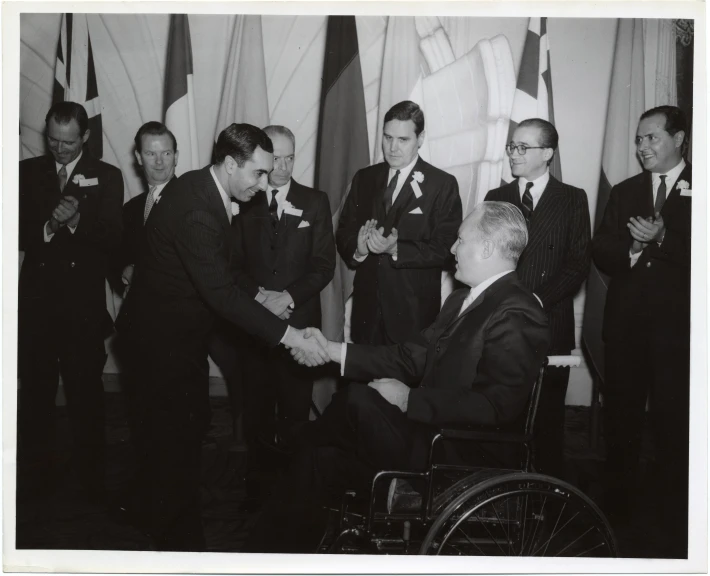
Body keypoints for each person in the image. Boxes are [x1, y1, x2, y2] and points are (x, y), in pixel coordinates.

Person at [244, 202, 550, 553]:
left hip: (461, 454)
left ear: (486, 248)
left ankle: (292, 442)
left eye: (460, 240)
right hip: (432, 437)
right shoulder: (461, 301)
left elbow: (496, 407)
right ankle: (263, 558)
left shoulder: (518, 310)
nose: (451, 248)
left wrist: (408, 399)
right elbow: (407, 357)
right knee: (318, 459)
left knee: (358, 400)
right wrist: (330, 349)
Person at [129, 123, 328, 551]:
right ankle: (180, 545)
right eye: (258, 173)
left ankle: (164, 518)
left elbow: (225, 275)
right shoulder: (199, 208)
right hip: (159, 344)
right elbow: (220, 293)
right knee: (174, 441)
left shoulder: (209, 189)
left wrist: (261, 299)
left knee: (184, 431)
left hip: (178, 336)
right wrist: (291, 337)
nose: (265, 182)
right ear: (231, 163)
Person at [592, 105, 691, 558]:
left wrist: (664, 238)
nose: (642, 147)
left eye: (651, 138)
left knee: (675, 424)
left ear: (680, 139)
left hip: (681, 332)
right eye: (637, 139)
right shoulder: (627, 190)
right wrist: (633, 244)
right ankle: (616, 517)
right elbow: (601, 249)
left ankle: (677, 517)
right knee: (622, 422)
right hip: (627, 327)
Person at [112, 122, 244, 450]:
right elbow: (116, 258)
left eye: (166, 153)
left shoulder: (191, 200)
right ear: (138, 158)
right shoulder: (131, 210)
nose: (159, 161)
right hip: (144, 329)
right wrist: (124, 271)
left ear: (177, 157)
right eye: (150, 154)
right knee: (148, 415)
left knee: (186, 419)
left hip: (191, 325)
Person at [17, 101, 124, 504]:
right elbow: (16, 231)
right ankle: (35, 480)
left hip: (82, 310)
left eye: (67, 142)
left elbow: (114, 237)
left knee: (85, 397)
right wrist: (50, 225)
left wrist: (77, 222)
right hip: (38, 307)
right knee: (36, 397)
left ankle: (92, 484)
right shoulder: (27, 172)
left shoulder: (108, 176)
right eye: (52, 140)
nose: (58, 149)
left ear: (85, 137)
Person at [233, 125, 335, 504]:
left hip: (300, 325)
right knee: (257, 410)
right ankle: (257, 492)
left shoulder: (316, 201)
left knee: (295, 413)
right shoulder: (246, 199)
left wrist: (288, 296)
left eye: (291, 157)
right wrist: (260, 296)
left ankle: (294, 495)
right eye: (276, 157)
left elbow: (324, 266)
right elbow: (233, 263)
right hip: (255, 326)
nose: (284, 165)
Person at [485, 118, 591, 477]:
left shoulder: (573, 199)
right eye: (511, 146)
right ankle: (501, 497)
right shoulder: (496, 199)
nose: (513, 154)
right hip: (501, 328)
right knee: (502, 419)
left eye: (522, 147)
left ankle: (544, 505)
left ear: (547, 153)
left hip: (550, 324)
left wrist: (535, 302)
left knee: (546, 421)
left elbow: (577, 266)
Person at [336, 100, 462, 346]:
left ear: (421, 138)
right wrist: (359, 249)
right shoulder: (365, 178)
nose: (392, 148)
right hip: (366, 314)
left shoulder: (442, 184)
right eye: (387, 138)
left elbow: (447, 249)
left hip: (413, 316)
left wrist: (396, 249)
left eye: (402, 140)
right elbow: (344, 232)